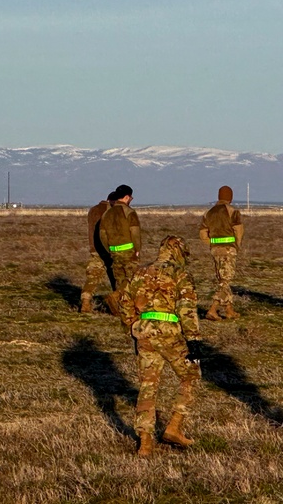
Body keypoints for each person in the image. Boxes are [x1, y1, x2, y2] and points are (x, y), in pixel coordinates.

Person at [119, 235, 201, 457]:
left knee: (148, 386)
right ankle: (174, 427)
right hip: (169, 332)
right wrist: (193, 339)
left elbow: (124, 301)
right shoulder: (180, 274)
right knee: (191, 375)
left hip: (144, 333)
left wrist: (133, 326)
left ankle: (145, 442)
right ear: (178, 253)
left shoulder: (140, 273)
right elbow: (186, 308)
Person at [198, 185, 245, 321]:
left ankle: (229, 310)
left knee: (223, 278)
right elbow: (238, 230)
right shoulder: (232, 211)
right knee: (225, 280)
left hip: (215, 250)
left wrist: (211, 244)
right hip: (228, 249)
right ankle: (213, 309)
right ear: (230, 197)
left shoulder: (209, 213)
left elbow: (202, 233)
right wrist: (237, 245)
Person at [98, 184, 141, 314]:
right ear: (127, 197)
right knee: (132, 279)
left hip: (114, 251)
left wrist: (109, 249)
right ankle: (124, 303)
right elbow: (135, 232)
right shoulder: (130, 212)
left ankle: (119, 308)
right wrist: (137, 249)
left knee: (119, 279)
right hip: (129, 251)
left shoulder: (107, 213)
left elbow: (102, 234)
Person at [81, 190, 118, 315]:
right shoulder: (111, 212)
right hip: (109, 250)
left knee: (92, 278)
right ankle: (118, 304)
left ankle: (86, 301)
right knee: (116, 277)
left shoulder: (93, 210)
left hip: (94, 250)